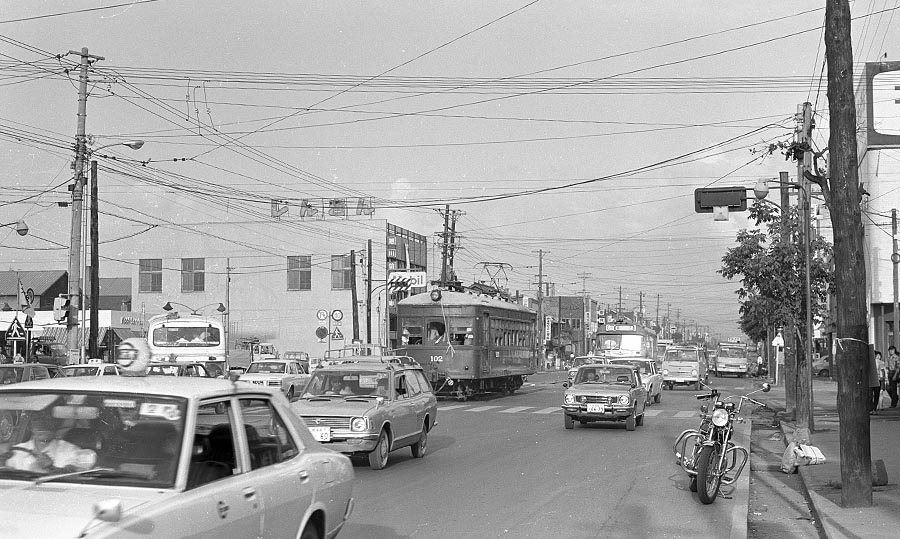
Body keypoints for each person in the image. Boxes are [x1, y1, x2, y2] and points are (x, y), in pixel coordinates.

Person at [4, 417, 97, 473]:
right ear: (30, 426)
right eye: (36, 419)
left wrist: (51, 468)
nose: (41, 424)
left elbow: (76, 478)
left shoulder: (71, 451)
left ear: (57, 425)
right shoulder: (16, 451)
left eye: (47, 420)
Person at [870, 350, 883, 414]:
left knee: (876, 394)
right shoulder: (868, 362)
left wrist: (882, 378)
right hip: (871, 380)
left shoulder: (880, 362)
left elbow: (882, 370)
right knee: (872, 395)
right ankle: (872, 408)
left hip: (877, 379)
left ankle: (874, 408)